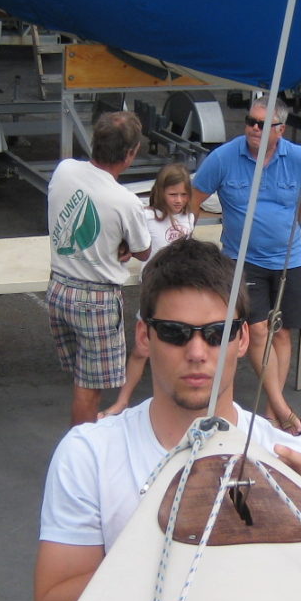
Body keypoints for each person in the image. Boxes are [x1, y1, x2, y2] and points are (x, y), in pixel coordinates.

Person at [34, 238, 301, 601]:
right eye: (175, 333)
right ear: (144, 336)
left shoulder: (297, 459)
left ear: (243, 339)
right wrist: (168, 546)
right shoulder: (90, 454)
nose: (197, 351)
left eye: (217, 333)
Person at [189, 96, 301, 437]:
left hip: (289, 259)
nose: (253, 129)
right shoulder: (224, 157)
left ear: (281, 129)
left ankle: (271, 413)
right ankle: (282, 408)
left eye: (262, 124)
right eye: (250, 121)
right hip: (242, 259)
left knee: (284, 332)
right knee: (258, 330)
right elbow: (192, 199)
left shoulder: (298, 157)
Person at [46, 111, 153, 426]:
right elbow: (143, 249)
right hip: (96, 299)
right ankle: (80, 456)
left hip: (58, 288)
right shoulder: (126, 201)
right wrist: (122, 243)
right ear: (130, 154)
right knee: (89, 390)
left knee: (80, 381)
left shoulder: (64, 170)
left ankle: (81, 445)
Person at [99, 163, 196, 419]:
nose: (179, 200)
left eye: (183, 195)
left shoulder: (190, 218)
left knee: (180, 349)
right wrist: (122, 249)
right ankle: (122, 401)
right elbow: (130, 240)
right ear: (161, 192)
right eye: (173, 194)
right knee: (142, 349)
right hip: (154, 291)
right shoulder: (147, 216)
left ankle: (177, 400)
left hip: (181, 295)